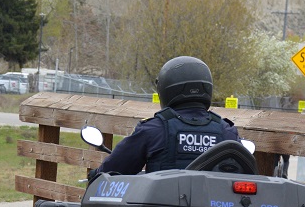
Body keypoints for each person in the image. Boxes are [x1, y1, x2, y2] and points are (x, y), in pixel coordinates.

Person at [89, 56, 240, 179]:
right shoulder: (227, 132)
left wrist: (95, 175)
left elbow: (114, 168)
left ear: (166, 89)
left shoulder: (154, 129)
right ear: (207, 87)